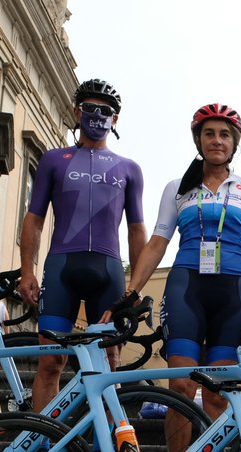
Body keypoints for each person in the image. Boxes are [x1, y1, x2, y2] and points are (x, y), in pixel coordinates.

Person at [122, 104, 241, 435]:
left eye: (224, 134)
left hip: (234, 296)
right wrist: (131, 291)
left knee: (218, 396)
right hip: (186, 290)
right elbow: (157, 244)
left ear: (234, 143)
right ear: (198, 140)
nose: (216, 141)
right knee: (181, 391)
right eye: (209, 134)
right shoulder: (178, 187)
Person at [18, 79, 146, 411]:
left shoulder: (130, 169)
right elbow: (34, 218)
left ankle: (102, 451)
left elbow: (136, 231)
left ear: (115, 119)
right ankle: (41, 448)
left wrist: (136, 287)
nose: (98, 116)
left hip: (108, 270)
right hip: (62, 268)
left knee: (108, 365)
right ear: (77, 112)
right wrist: (26, 271)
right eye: (90, 108)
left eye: (106, 111)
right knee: (50, 363)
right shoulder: (53, 160)